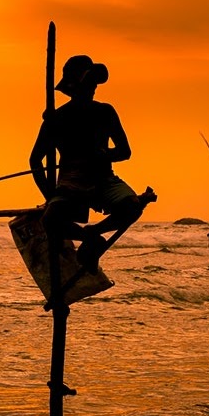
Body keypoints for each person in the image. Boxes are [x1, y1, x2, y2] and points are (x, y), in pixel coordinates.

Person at [29, 54, 142, 272]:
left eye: (94, 83)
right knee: (50, 220)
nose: (93, 88)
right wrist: (49, 194)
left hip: (104, 179)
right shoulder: (57, 118)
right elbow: (35, 159)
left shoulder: (105, 111)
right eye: (88, 83)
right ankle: (88, 238)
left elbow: (124, 151)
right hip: (70, 183)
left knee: (132, 206)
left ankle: (93, 232)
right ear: (73, 87)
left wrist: (105, 154)